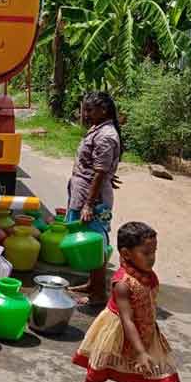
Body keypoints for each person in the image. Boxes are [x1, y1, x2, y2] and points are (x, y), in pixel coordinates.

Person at [73, 222, 179, 382]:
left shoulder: (148, 275)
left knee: (155, 378)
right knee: (97, 374)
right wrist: (140, 352)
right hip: (116, 331)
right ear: (126, 254)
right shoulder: (122, 284)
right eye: (146, 253)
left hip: (146, 331)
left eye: (154, 252)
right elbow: (127, 319)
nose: (152, 258)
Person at [66, 92, 122, 305]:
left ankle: (99, 294)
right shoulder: (98, 129)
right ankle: (93, 284)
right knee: (89, 240)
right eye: (85, 109)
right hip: (85, 192)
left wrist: (89, 204)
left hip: (92, 199)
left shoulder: (106, 135)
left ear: (104, 110)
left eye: (90, 110)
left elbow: (99, 172)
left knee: (95, 242)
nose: (85, 114)